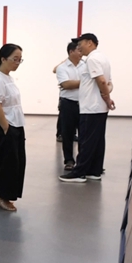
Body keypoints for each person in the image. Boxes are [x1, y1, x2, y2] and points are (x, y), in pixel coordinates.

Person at [59, 33, 114, 183]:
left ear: (90, 43)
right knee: (97, 141)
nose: (79, 47)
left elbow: (102, 81)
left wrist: (107, 98)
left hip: (91, 107)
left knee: (86, 141)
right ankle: (94, 171)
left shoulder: (92, 59)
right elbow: (109, 83)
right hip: (98, 108)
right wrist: (107, 98)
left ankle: (79, 172)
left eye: (80, 44)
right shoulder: (103, 58)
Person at [0, 44, 26, 212]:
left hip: (16, 124)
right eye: (15, 59)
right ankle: (1, 196)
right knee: (7, 164)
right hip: (7, 126)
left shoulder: (8, 77)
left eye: (20, 60)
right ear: (3, 59)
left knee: (16, 162)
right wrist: (6, 128)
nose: (17, 63)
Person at [55, 42, 85, 170]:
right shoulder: (62, 68)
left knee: (84, 134)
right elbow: (66, 84)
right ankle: (69, 160)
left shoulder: (86, 65)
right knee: (67, 134)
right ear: (71, 51)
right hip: (68, 104)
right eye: (79, 50)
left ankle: (83, 160)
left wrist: (76, 83)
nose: (81, 53)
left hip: (84, 103)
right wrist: (86, 82)